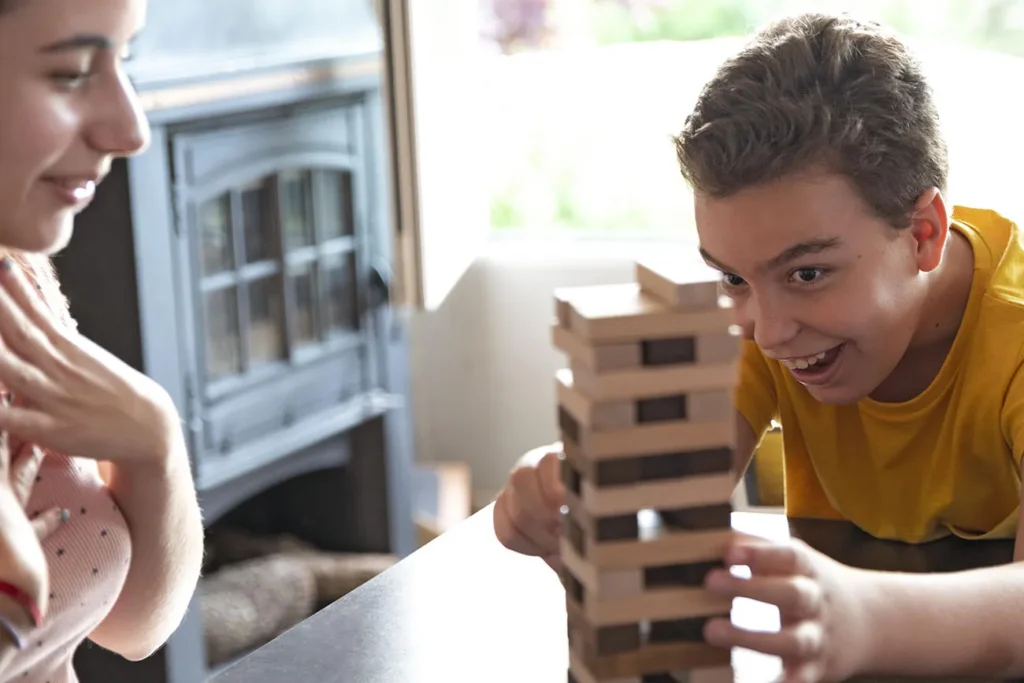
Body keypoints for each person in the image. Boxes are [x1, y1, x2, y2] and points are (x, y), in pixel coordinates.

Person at [493, 10, 1024, 682]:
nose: (768, 333)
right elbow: (663, 502)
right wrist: (569, 495)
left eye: (808, 273)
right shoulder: (766, 323)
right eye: (732, 277)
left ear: (922, 233)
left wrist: (865, 616)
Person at [0, 0, 205, 680]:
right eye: (72, 72)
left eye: (125, 61)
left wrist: (154, 440)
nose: (131, 128)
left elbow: (134, 625)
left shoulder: (17, 272)